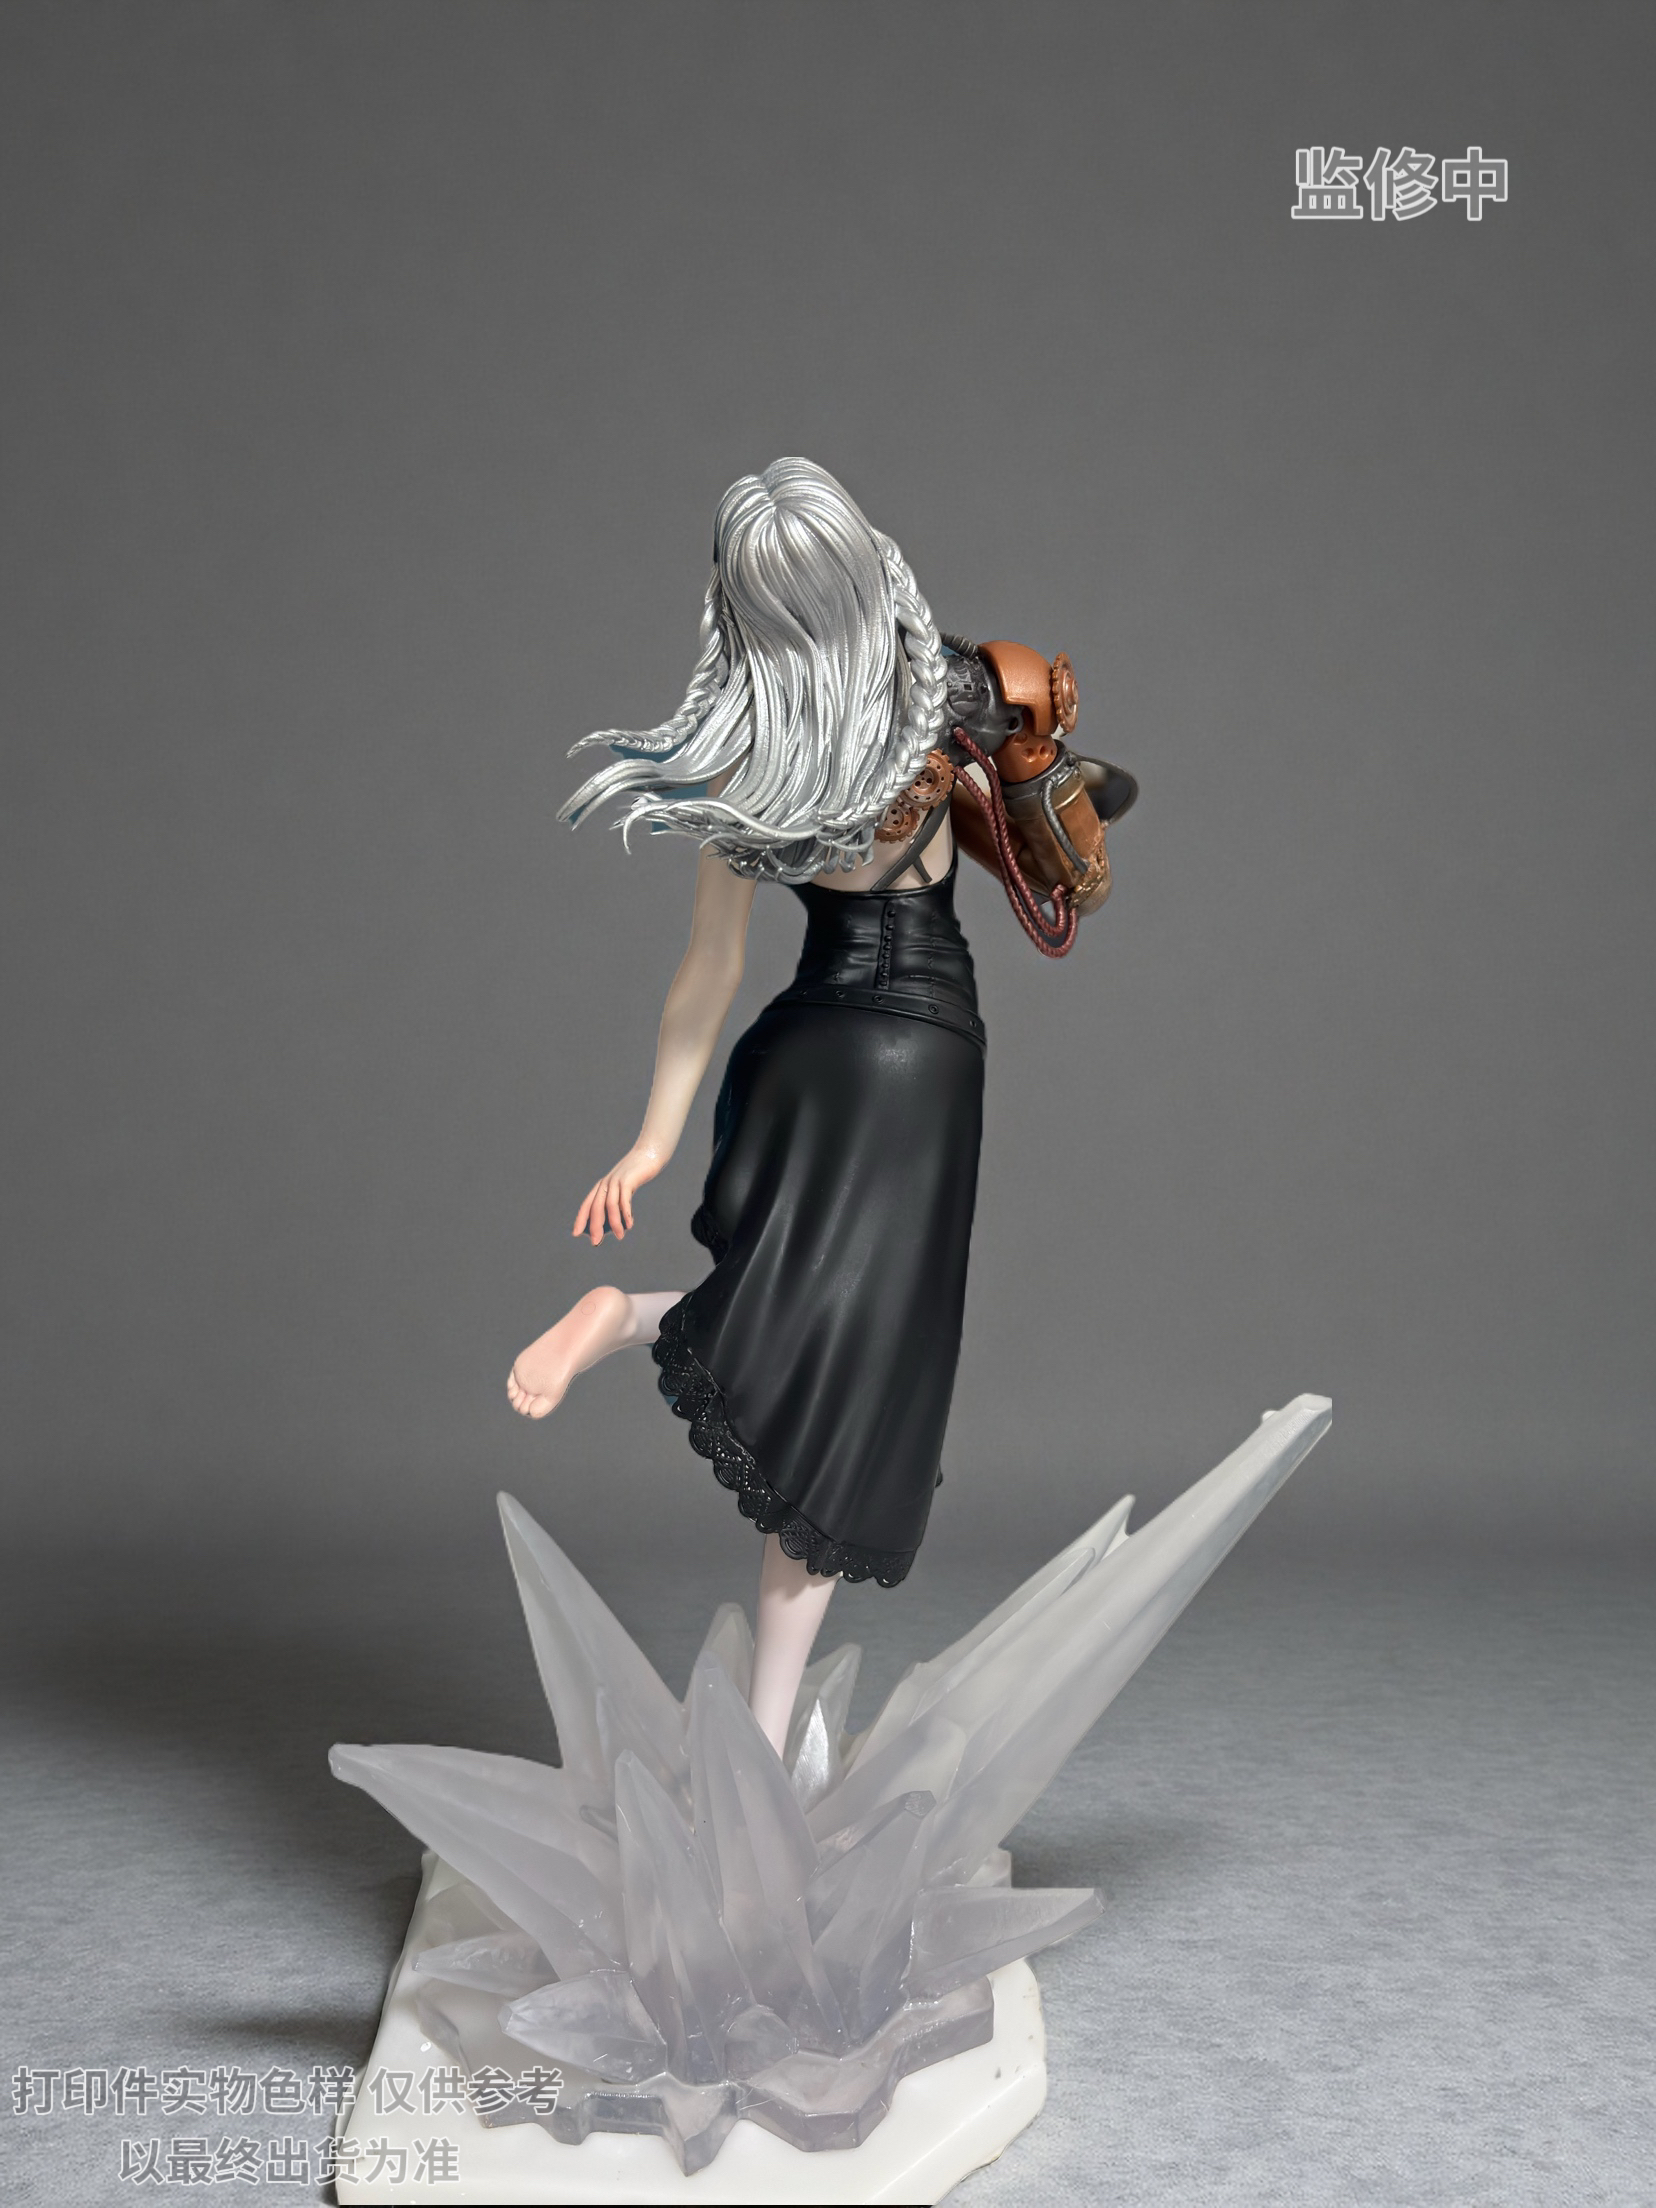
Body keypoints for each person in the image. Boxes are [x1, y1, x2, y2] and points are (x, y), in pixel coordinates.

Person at [508, 458, 985, 1754]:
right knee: (855, 1391)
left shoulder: (753, 775)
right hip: (924, 1059)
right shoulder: (943, 714)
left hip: (804, 1052)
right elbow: (1083, 830)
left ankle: (626, 1319)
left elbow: (708, 974)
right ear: (861, 574)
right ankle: (766, 1744)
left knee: (803, 1346)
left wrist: (654, 1140)